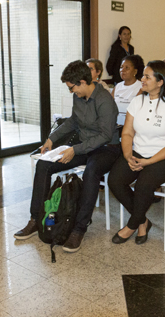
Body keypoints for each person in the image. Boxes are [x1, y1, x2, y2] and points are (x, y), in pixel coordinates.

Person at [14, 61, 121, 252]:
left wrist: (75, 150)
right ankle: (35, 219)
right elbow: (73, 121)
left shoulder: (105, 101)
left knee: (92, 170)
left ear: (82, 81)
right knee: (44, 165)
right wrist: (51, 139)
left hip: (106, 148)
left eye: (72, 88)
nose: (72, 92)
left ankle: (79, 229)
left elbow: (105, 135)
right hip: (83, 146)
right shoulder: (79, 98)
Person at [108, 61, 165, 245]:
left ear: (160, 82)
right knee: (115, 180)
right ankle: (143, 221)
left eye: (147, 77)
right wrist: (128, 155)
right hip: (137, 152)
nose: (142, 79)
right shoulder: (137, 101)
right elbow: (127, 132)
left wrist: (148, 162)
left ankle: (132, 225)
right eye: (143, 75)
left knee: (144, 184)